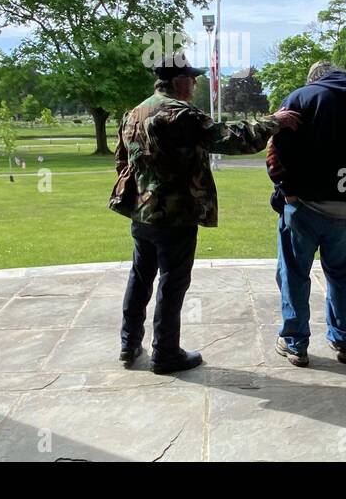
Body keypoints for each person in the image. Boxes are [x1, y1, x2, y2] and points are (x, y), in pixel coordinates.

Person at [110, 50, 300, 373]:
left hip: (142, 214)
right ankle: (165, 353)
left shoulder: (134, 113)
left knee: (140, 277)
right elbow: (232, 139)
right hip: (176, 216)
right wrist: (274, 122)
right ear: (179, 81)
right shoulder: (180, 115)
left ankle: (129, 344)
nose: (196, 82)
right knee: (172, 282)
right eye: (192, 78)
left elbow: (121, 161)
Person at [266, 61, 346, 366]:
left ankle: (296, 343)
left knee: (294, 275)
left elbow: (274, 150)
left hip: (303, 208)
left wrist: (287, 189)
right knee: (343, 277)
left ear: (313, 79)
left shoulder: (301, 98)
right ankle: (344, 340)